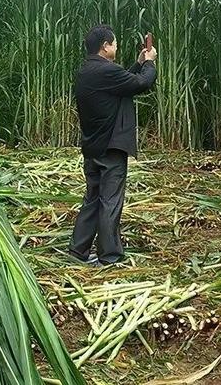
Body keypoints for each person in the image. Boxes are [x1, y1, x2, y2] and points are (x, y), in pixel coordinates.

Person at [69, 25, 157, 266]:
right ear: (105, 46)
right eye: (115, 43)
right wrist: (150, 62)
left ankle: (78, 250)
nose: (116, 47)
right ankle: (109, 256)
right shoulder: (106, 71)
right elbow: (141, 84)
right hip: (111, 147)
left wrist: (138, 63)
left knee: (93, 199)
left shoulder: (87, 71)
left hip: (93, 147)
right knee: (110, 201)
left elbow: (122, 84)